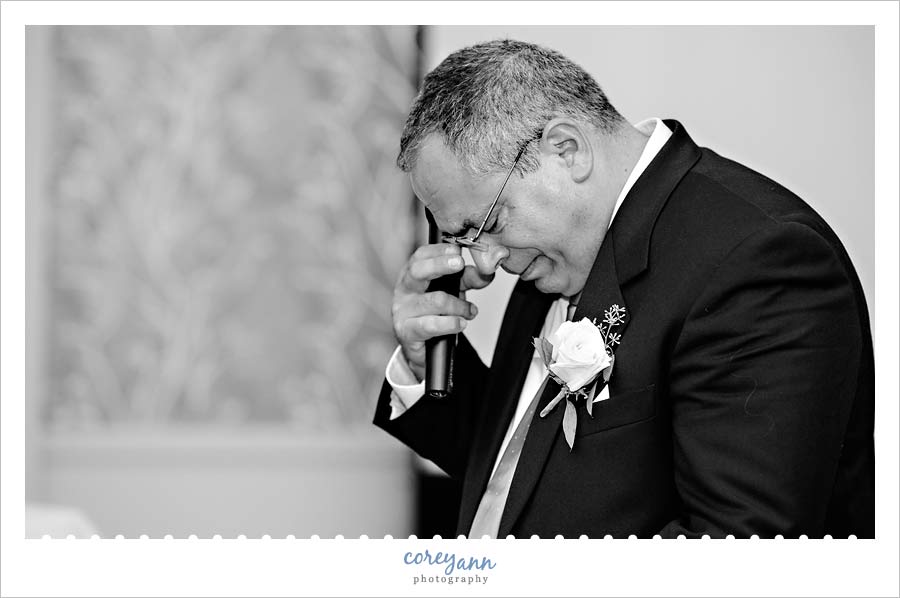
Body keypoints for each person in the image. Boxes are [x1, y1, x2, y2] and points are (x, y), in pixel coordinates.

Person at [373, 39, 874, 539]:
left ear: (566, 151)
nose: (484, 260)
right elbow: (534, 486)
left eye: (487, 223)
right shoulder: (553, 257)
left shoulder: (757, 264)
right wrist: (427, 365)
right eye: (460, 236)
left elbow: (740, 549)